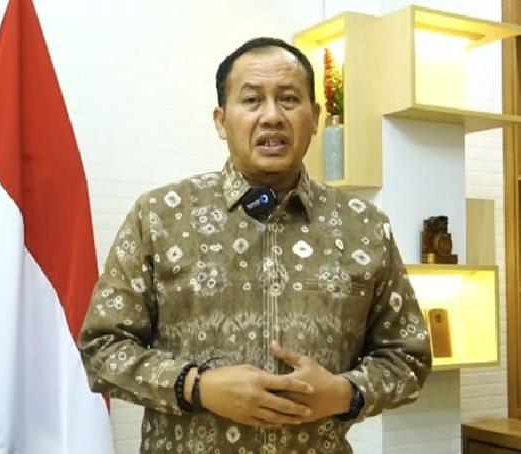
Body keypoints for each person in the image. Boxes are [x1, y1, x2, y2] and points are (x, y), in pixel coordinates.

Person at [78, 37, 432, 453]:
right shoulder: (160, 215)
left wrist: (344, 394)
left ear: (315, 118)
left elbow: (408, 357)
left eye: (288, 99)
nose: (272, 116)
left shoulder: (364, 227)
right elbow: (102, 348)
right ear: (221, 120)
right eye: (251, 100)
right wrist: (196, 386)